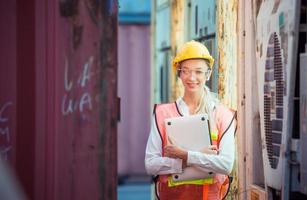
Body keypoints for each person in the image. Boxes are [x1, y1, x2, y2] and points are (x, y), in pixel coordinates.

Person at [145, 40, 236, 200]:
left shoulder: (222, 115)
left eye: (198, 71)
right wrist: (189, 160)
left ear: (208, 74)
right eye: (185, 71)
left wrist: (185, 155)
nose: (192, 77)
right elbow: (151, 164)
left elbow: (226, 165)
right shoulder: (163, 114)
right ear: (179, 74)